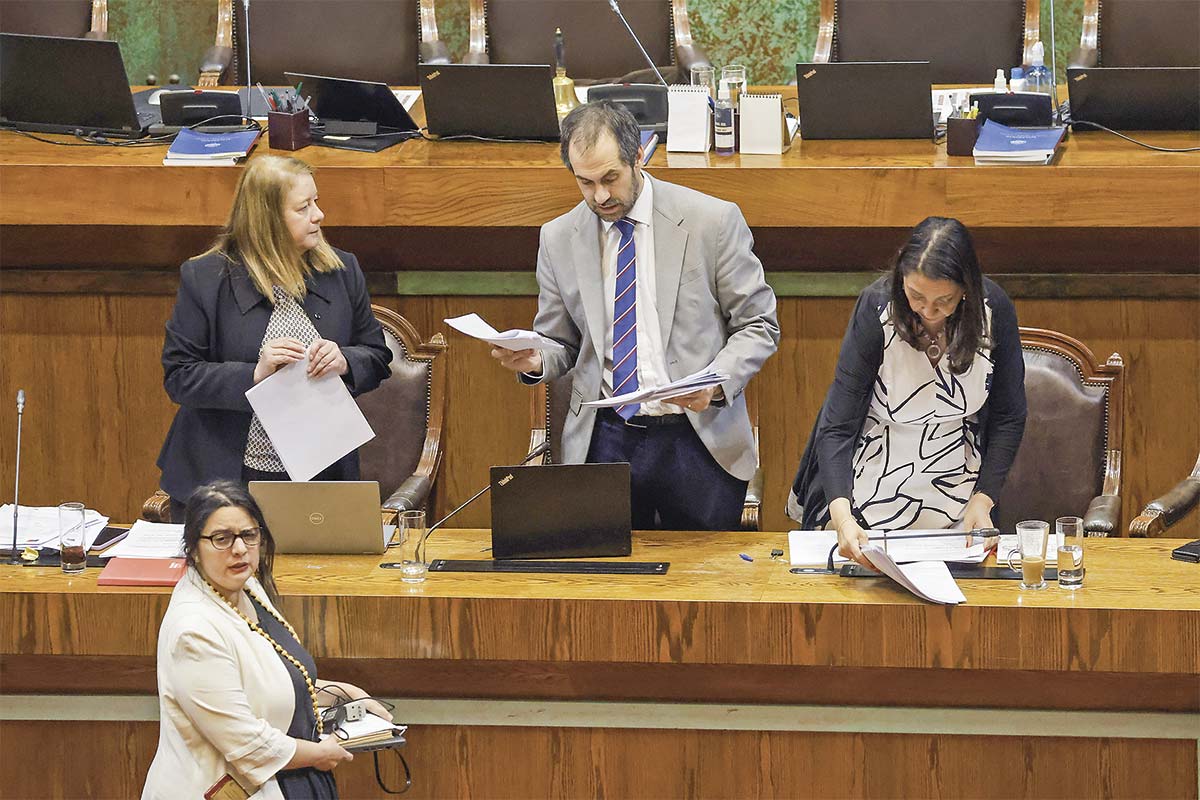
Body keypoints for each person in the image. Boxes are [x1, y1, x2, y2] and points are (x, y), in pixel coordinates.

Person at [491, 101, 779, 530]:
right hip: (606, 438)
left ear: (639, 156)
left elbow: (759, 324)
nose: (600, 196)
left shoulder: (711, 221)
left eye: (610, 178)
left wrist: (716, 384)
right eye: (585, 183)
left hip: (697, 437)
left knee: (704, 589)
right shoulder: (558, 238)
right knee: (607, 587)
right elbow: (560, 343)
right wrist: (536, 360)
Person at [157, 156, 392, 522]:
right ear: (266, 220)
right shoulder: (205, 278)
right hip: (224, 479)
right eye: (304, 207)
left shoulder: (342, 271)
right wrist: (254, 373)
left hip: (321, 476)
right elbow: (180, 377)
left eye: (315, 201)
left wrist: (346, 360)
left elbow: (377, 355)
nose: (319, 215)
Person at [789, 216, 1026, 567]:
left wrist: (984, 498)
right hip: (870, 491)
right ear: (901, 278)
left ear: (967, 289)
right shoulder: (876, 308)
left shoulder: (994, 310)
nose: (929, 312)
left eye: (944, 300)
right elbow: (837, 424)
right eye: (916, 296)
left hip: (959, 494)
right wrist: (842, 518)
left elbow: (1010, 415)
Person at [143, 481, 391, 799]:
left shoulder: (246, 586)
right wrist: (322, 753)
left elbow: (268, 683)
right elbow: (246, 743)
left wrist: (348, 694)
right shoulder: (193, 631)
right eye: (221, 538)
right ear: (193, 547)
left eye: (249, 535)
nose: (239, 549)